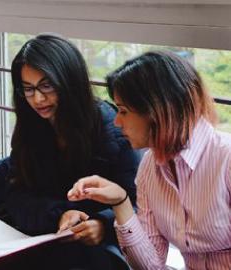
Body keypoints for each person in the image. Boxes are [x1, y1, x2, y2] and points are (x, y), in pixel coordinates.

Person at [68, 51, 231, 269]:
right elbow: (150, 266)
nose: (117, 121)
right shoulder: (149, 168)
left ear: (157, 110)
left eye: (123, 111)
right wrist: (121, 202)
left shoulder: (226, 159)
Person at [4, 34, 140, 269]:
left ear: (69, 82)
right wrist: (59, 215)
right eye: (28, 89)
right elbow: (16, 195)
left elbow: (135, 202)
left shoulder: (110, 129)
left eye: (47, 86)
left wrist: (103, 225)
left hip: (94, 249)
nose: (38, 98)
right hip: (45, 236)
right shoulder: (30, 126)